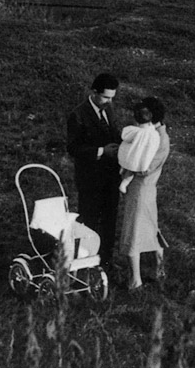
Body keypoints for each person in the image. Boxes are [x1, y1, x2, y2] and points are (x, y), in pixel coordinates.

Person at [66, 73, 122, 269]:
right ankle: (85, 261)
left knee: (109, 219)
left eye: (112, 97)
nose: (109, 101)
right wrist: (101, 151)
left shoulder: (109, 109)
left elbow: (114, 132)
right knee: (89, 220)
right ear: (94, 92)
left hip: (111, 177)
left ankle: (105, 260)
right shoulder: (78, 115)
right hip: (90, 178)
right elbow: (73, 148)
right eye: (106, 97)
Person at [119, 97, 170, 291]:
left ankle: (136, 279)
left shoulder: (158, 139)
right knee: (150, 227)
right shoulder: (154, 134)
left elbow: (145, 168)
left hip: (141, 188)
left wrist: (126, 165)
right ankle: (159, 270)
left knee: (134, 231)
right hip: (146, 189)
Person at [117, 107, 162, 195]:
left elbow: (126, 137)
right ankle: (124, 183)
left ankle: (122, 170)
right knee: (132, 170)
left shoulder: (133, 130)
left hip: (129, 154)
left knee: (127, 164)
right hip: (136, 157)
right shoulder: (152, 134)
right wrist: (144, 165)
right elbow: (150, 149)